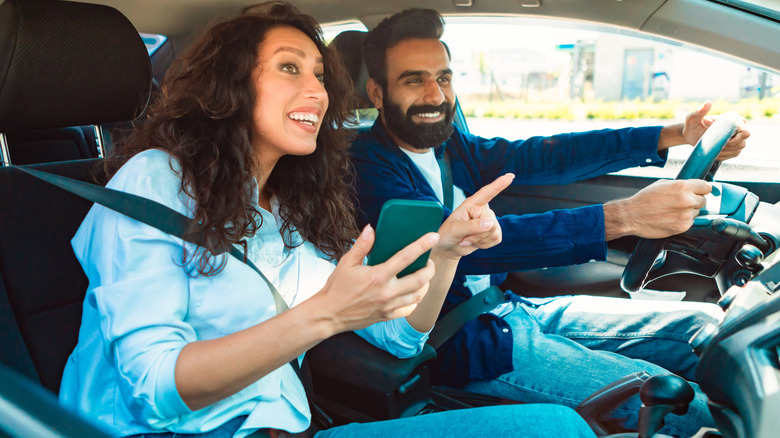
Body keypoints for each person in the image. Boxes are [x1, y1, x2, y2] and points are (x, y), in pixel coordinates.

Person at [57, 3, 598, 438]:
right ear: (229, 84)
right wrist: (324, 316)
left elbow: (399, 340)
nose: (317, 91)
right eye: (289, 67)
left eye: (320, 74)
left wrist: (447, 253)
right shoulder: (153, 181)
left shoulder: (286, 207)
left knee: (560, 425)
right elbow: (151, 389)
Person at [349, 8, 751, 437]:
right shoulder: (369, 168)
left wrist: (670, 135)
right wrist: (625, 216)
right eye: (415, 80)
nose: (435, 95)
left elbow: (545, 153)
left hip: (512, 308)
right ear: (376, 92)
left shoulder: (447, 147)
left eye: (443, 78)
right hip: (469, 342)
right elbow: (462, 249)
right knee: (692, 412)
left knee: (708, 329)